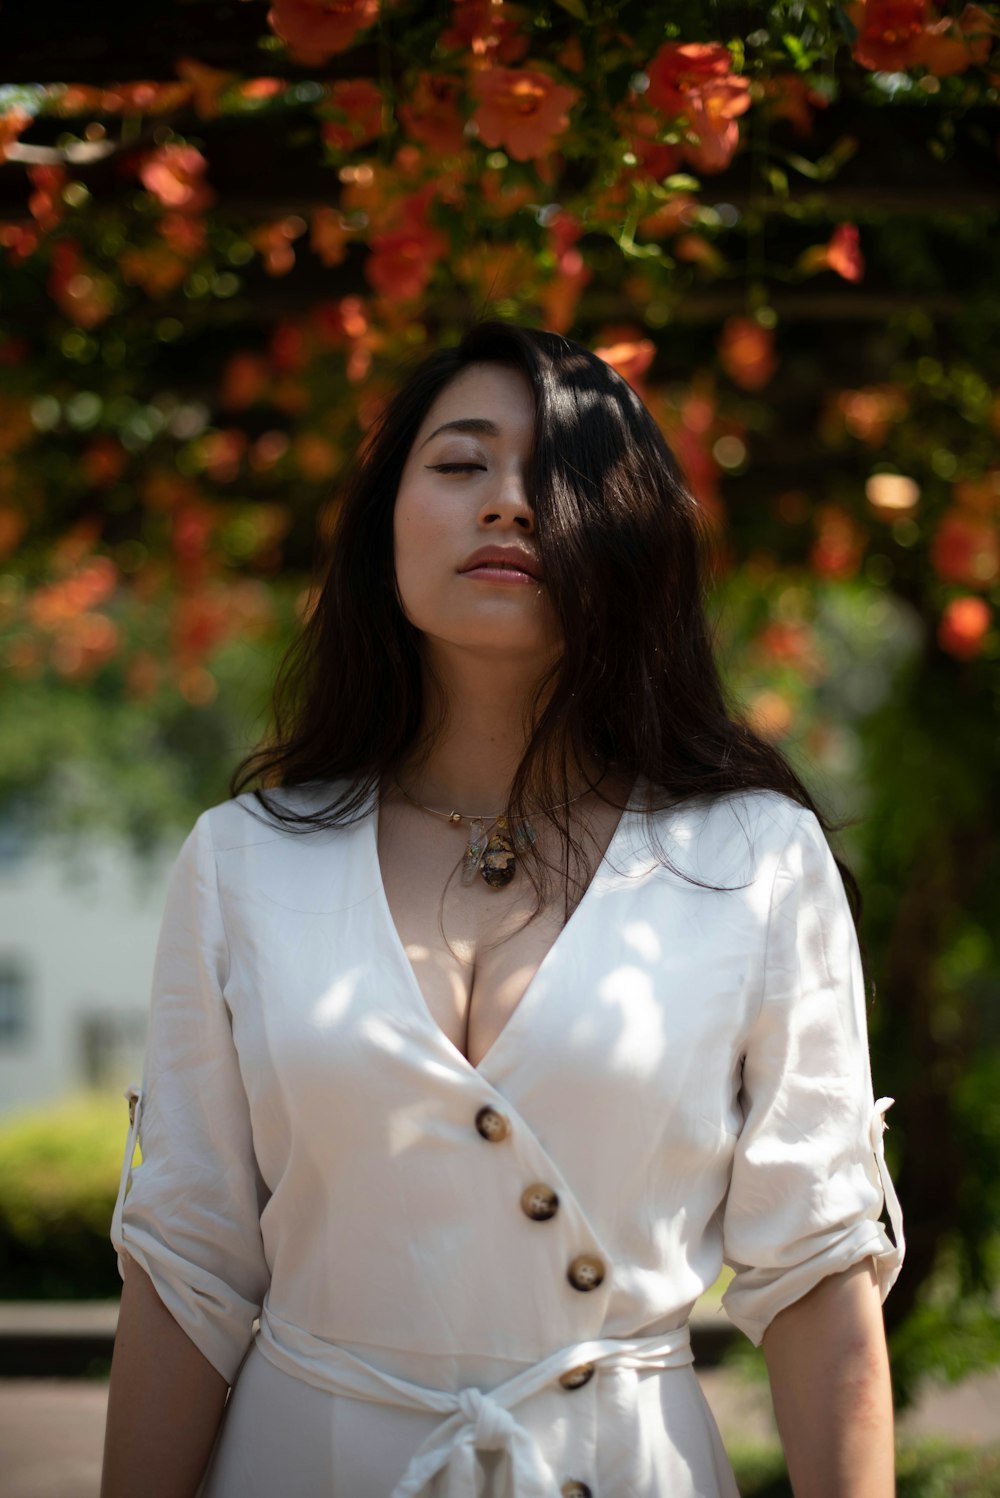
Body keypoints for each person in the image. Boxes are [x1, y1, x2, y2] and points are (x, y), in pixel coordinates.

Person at [101, 321, 905, 1498]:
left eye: (560, 475)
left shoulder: (753, 857)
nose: (509, 505)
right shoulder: (244, 862)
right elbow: (188, 1271)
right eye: (460, 463)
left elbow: (819, 1270)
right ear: (386, 526)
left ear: (632, 534)